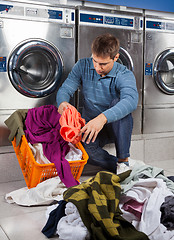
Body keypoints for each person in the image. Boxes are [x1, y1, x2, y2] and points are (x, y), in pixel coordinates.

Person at [56, 33, 138, 174]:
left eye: (103, 64)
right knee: (85, 150)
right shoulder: (82, 66)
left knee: (118, 103)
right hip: (91, 126)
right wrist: (62, 102)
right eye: (95, 61)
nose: (97, 67)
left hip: (115, 127)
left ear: (116, 58)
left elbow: (131, 101)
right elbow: (66, 89)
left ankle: (123, 160)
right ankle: (122, 168)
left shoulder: (124, 74)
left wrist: (101, 119)